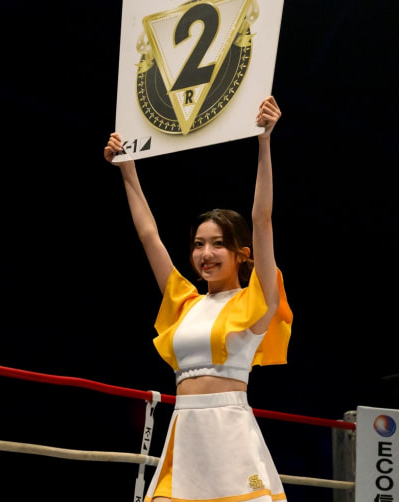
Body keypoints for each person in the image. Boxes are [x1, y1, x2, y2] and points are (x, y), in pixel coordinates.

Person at [104, 95, 293, 502]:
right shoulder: (185, 303)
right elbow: (149, 235)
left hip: (230, 434)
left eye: (218, 244)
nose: (205, 253)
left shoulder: (256, 301)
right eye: (198, 244)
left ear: (242, 254)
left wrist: (264, 141)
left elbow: (261, 220)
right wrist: (127, 168)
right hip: (184, 432)